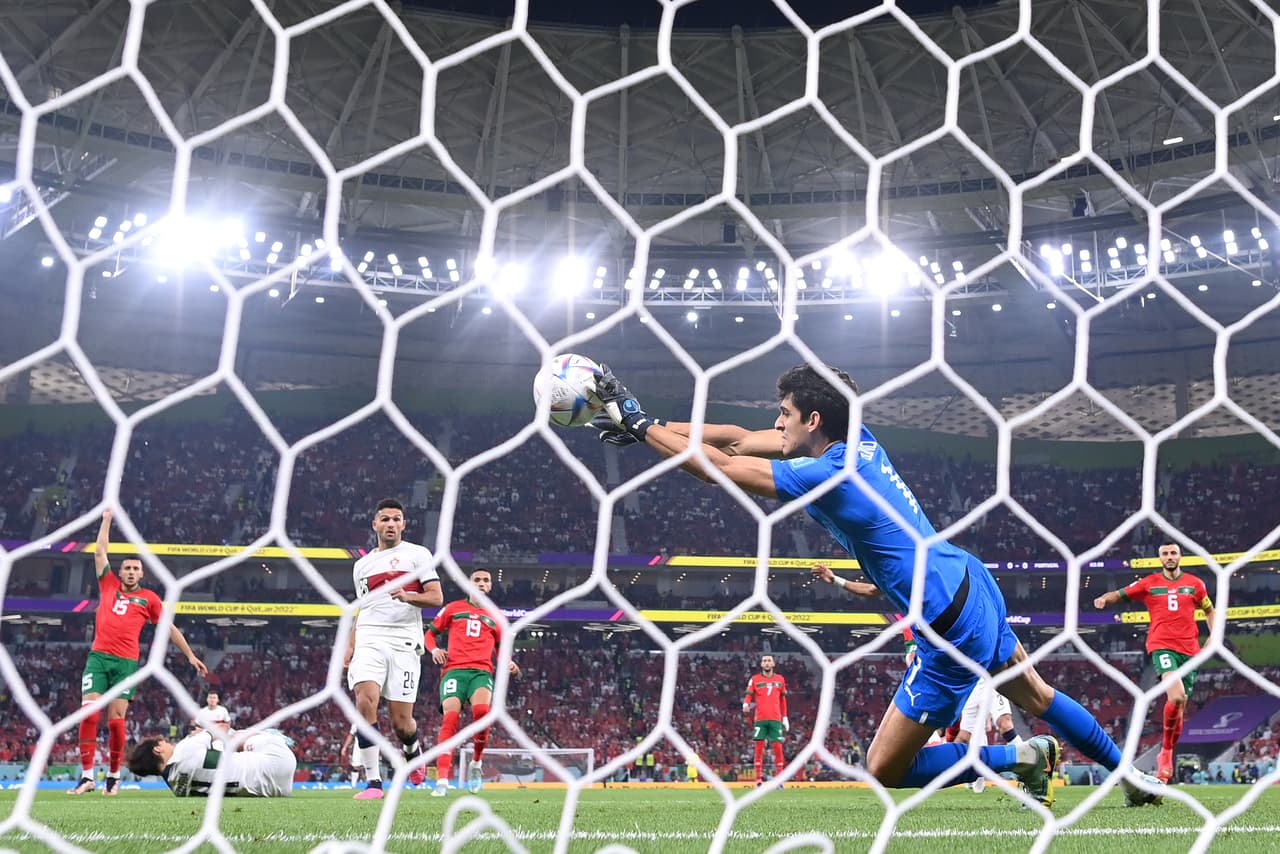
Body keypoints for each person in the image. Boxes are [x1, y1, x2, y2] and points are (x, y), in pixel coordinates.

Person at [593, 362, 1165, 808]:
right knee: (1036, 695)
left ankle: (1014, 756)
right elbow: (735, 439)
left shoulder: (825, 471)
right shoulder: (857, 441)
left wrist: (642, 429)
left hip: (945, 623)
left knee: (886, 769)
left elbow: (725, 467)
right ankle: (1129, 776)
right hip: (969, 576)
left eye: (785, 413)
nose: (778, 422)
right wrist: (645, 422)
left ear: (813, 421)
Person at [814, 563, 1022, 794]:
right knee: (963, 737)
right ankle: (1016, 761)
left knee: (1004, 724)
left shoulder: (937, 578)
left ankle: (1026, 758)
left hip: (979, 666)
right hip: (958, 674)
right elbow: (872, 591)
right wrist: (835, 580)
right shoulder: (909, 617)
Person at [70, 510, 208, 796]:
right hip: (98, 657)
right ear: (119, 572)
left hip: (125, 663)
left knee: (115, 720)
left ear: (142, 574)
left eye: (136, 569)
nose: (131, 572)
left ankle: (113, 775)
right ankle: (86, 777)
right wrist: (107, 520)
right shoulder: (108, 584)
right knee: (88, 715)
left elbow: (169, 628)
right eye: (127, 568)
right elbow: (99, 552)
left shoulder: (150, 599)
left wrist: (190, 655)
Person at [345, 498, 443, 800]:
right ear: (375, 524)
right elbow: (362, 607)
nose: (390, 524)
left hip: (404, 640)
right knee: (365, 699)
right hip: (370, 638)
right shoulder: (361, 565)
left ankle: (412, 749)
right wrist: (351, 643)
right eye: (384, 519)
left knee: (401, 723)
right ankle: (373, 782)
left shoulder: (418, 555)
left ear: (404, 524)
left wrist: (407, 597)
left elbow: (436, 598)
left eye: (396, 519)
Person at [1093, 542, 1216, 783]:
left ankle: (1166, 750)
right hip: (1161, 646)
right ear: (1160, 558)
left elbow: (1210, 611)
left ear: (1180, 556)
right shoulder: (1149, 583)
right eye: (1165, 554)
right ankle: (1168, 754)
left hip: (1190, 651)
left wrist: (1213, 635)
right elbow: (1120, 594)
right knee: (1177, 696)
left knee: (1179, 708)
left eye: (1173, 553)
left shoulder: (1195, 584)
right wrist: (1104, 600)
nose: (1169, 557)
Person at [423, 567, 520, 797]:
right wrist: (435, 649)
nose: (481, 583)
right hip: (454, 672)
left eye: (486, 580)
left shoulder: (497, 617)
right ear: (469, 583)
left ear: (491, 586)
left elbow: (502, 650)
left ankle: (476, 764)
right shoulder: (454, 608)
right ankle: (443, 781)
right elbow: (429, 634)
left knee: (482, 713)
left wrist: (510, 664)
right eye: (477, 579)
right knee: (450, 721)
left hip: (481, 673)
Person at [126, 728, 296, 797]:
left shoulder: (177, 789)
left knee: (221, 749)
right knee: (233, 735)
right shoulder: (184, 748)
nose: (169, 743)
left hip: (275, 791)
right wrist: (202, 731)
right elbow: (221, 728)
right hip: (280, 759)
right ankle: (271, 735)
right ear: (157, 749)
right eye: (164, 742)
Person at [743, 654, 788, 787]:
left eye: (769, 661)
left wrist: (785, 717)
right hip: (760, 719)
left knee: (778, 748)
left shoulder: (780, 679)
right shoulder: (755, 679)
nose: (767, 663)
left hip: (775, 719)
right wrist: (746, 703)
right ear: (761, 664)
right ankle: (758, 780)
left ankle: (779, 780)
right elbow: (748, 694)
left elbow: (783, 699)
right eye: (764, 661)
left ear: (773, 664)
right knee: (758, 749)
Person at [340, 722, 365, 787]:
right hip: (358, 745)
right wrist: (345, 747)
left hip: (370, 745)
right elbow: (351, 735)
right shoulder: (356, 723)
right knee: (356, 766)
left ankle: (372, 785)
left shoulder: (371, 720)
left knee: (370, 766)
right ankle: (353, 785)